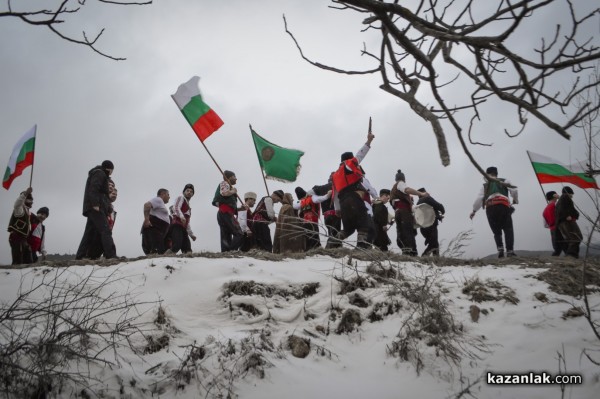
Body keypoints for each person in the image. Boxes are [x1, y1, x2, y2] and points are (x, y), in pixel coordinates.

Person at [332, 131, 375, 249]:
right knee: (364, 225)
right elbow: (360, 155)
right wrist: (369, 141)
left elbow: (335, 194)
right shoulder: (349, 164)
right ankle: (361, 249)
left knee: (348, 229)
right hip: (354, 198)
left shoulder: (335, 175)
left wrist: (338, 209)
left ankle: (332, 244)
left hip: (343, 202)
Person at [469, 166, 518, 258]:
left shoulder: (485, 185)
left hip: (490, 208)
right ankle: (510, 251)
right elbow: (514, 189)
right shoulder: (504, 180)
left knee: (496, 231)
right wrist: (515, 200)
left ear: (487, 174)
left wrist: (474, 211)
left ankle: (500, 250)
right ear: (496, 174)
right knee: (508, 229)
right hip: (503, 206)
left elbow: (479, 199)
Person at [75, 161, 117, 260]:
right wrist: (95, 204)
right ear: (109, 169)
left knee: (89, 232)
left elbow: (101, 193)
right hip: (96, 207)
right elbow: (94, 188)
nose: (111, 173)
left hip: (94, 207)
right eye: (112, 170)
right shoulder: (99, 173)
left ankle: (80, 255)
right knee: (105, 230)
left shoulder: (99, 173)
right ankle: (111, 255)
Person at [390, 170, 428, 256]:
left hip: (398, 212)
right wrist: (421, 193)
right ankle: (411, 252)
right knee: (408, 231)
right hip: (404, 212)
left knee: (401, 232)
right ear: (403, 179)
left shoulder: (394, 189)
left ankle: (406, 251)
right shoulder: (400, 183)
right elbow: (407, 189)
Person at [212, 171, 243, 252]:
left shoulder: (228, 186)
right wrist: (234, 191)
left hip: (223, 212)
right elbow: (224, 193)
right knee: (239, 233)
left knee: (225, 235)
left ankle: (225, 253)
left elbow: (229, 205)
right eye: (234, 176)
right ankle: (232, 251)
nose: (236, 178)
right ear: (229, 178)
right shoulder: (225, 183)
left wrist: (240, 208)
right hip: (226, 212)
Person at [312, 177, 342, 249]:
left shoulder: (321, 188)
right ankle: (333, 248)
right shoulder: (338, 187)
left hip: (326, 216)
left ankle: (330, 248)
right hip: (335, 214)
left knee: (330, 233)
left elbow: (312, 194)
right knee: (336, 234)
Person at [8, 187, 34, 265]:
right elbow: (17, 204)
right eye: (29, 199)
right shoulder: (19, 209)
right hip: (17, 238)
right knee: (18, 262)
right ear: (24, 199)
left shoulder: (28, 212)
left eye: (32, 200)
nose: (31, 202)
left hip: (24, 240)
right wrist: (25, 193)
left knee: (29, 262)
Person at [416, 188, 445, 256]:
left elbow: (427, 213)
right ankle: (424, 256)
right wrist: (442, 212)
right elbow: (439, 206)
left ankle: (436, 258)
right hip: (431, 225)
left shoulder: (418, 203)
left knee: (434, 243)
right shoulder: (427, 198)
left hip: (423, 227)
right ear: (424, 192)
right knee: (433, 244)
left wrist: (438, 216)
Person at [555, 186, 582, 259]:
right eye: (571, 194)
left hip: (562, 222)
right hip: (567, 221)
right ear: (569, 193)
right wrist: (568, 216)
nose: (572, 196)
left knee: (572, 238)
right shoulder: (565, 197)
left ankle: (573, 255)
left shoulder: (560, 200)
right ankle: (571, 255)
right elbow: (566, 209)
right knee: (576, 237)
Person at [142, 188, 171, 255]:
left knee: (158, 252)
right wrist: (147, 219)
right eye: (168, 194)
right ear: (163, 194)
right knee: (156, 253)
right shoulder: (159, 199)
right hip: (153, 230)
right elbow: (146, 205)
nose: (169, 197)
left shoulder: (160, 203)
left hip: (157, 232)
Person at [170, 183, 197, 254]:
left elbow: (187, 222)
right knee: (176, 245)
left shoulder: (189, 208)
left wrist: (191, 235)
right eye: (187, 190)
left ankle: (188, 262)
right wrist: (181, 217)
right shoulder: (180, 198)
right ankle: (164, 258)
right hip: (176, 225)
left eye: (191, 192)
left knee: (187, 248)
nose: (189, 192)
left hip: (183, 228)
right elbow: (176, 207)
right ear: (183, 192)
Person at [542, 191, 565, 256]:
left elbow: (545, 224)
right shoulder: (554, 206)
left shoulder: (546, 209)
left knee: (557, 248)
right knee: (565, 246)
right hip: (558, 227)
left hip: (552, 229)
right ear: (554, 196)